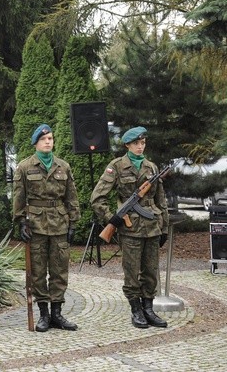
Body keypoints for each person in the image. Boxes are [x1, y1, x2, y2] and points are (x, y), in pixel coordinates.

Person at [91, 126, 170, 329]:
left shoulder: (151, 167)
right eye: (136, 143)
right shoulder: (117, 166)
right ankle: (136, 310)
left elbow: (161, 200)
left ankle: (149, 309)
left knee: (151, 272)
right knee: (132, 272)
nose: (140, 147)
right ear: (127, 145)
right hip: (130, 230)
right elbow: (97, 198)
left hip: (152, 226)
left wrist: (164, 227)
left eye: (143, 143)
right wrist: (112, 218)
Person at [12, 124, 79, 332]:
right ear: (36, 143)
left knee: (60, 270)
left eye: (50, 138)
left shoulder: (63, 166)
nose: (48, 142)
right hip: (36, 225)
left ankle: (57, 314)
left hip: (59, 223)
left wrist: (73, 222)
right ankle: (44, 314)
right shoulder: (25, 167)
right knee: (38, 272)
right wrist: (21, 222)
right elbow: (19, 197)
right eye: (44, 139)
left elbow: (71, 196)